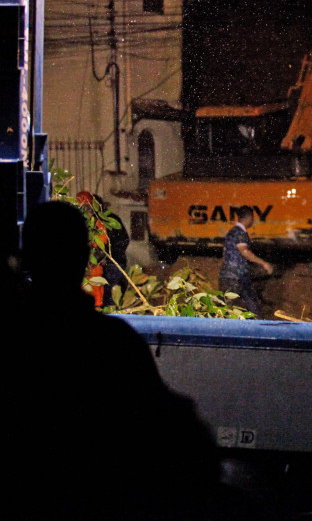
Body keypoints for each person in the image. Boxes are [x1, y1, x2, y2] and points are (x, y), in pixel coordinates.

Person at [8, 201, 222, 519]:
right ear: (83, 258)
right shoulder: (112, 343)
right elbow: (179, 435)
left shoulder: (15, 340)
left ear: (25, 260)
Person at [219, 206, 273, 315]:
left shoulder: (231, 232)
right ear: (250, 218)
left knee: (225, 306)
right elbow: (245, 252)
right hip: (238, 276)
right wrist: (264, 263)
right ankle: (257, 323)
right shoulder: (241, 233)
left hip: (227, 275)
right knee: (252, 305)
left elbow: (224, 256)